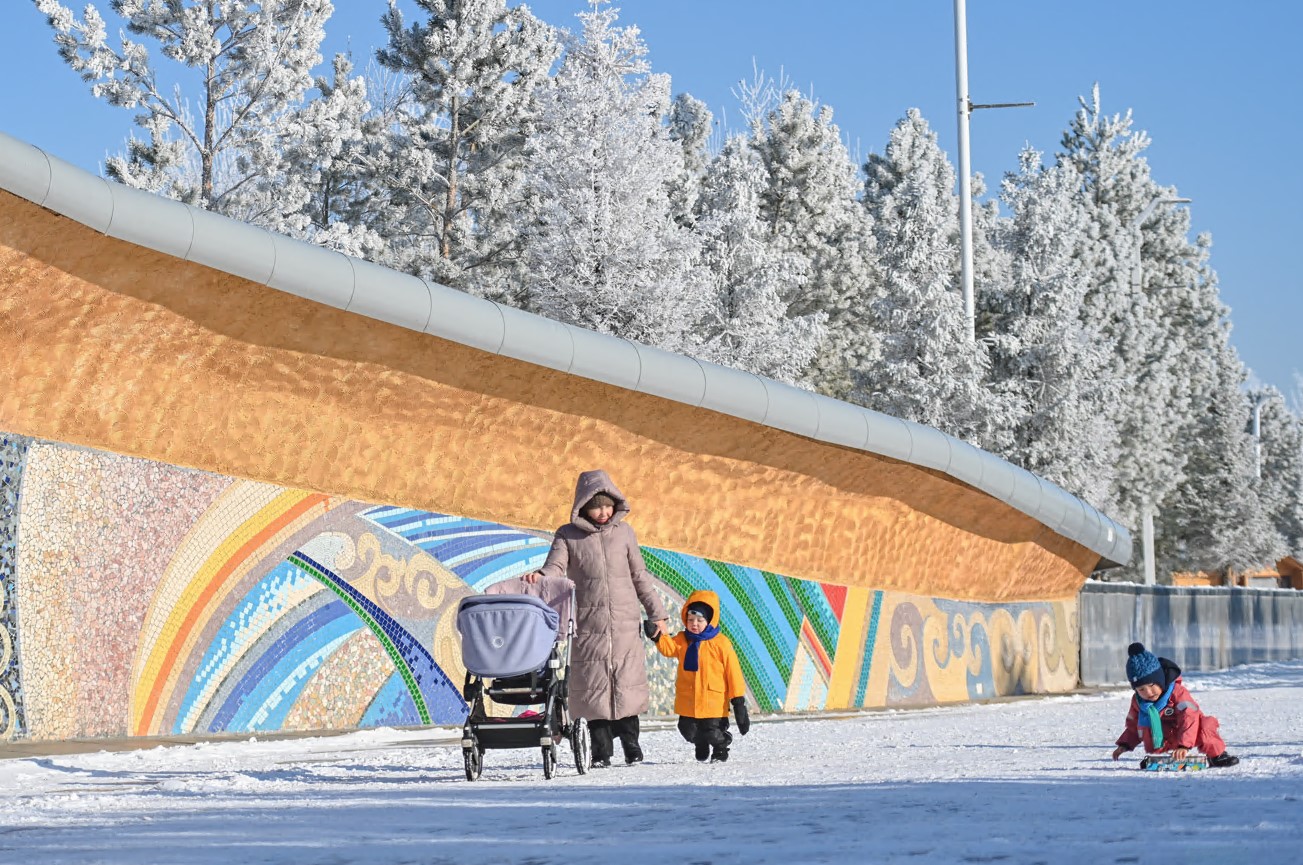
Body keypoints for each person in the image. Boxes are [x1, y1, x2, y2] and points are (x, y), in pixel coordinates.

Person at [526, 470, 669, 768]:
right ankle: (601, 751)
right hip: (588, 626)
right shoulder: (568, 534)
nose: (603, 512)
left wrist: (657, 614)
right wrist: (541, 576)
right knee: (592, 691)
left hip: (625, 624)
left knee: (626, 685)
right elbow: (556, 566)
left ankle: (632, 746)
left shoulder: (625, 533)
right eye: (597, 506)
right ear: (583, 505)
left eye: (608, 505)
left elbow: (640, 576)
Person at [646, 589, 749, 763]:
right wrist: (657, 637)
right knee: (687, 729)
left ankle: (721, 747)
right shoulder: (683, 639)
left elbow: (734, 673)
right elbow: (669, 648)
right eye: (691, 619)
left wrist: (738, 702)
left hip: (713, 702)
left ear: (710, 621)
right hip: (689, 701)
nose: (694, 624)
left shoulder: (721, 643)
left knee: (713, 732)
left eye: (700, 620)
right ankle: (700, 742)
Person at [1110, 642, 1239, 768]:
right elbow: (1133, 725)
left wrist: (1184, 745)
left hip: (1189, 732)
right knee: (1145, 725)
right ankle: (1159, 759)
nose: (1148, 692)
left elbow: (1189, 717)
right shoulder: (1138, 701)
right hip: (1165, 738)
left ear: (1159, 680)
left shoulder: (1177, 693)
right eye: (1141, 689)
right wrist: (1124, 745)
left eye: (1151, 686)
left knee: (1205, 726)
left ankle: (1217, 755)